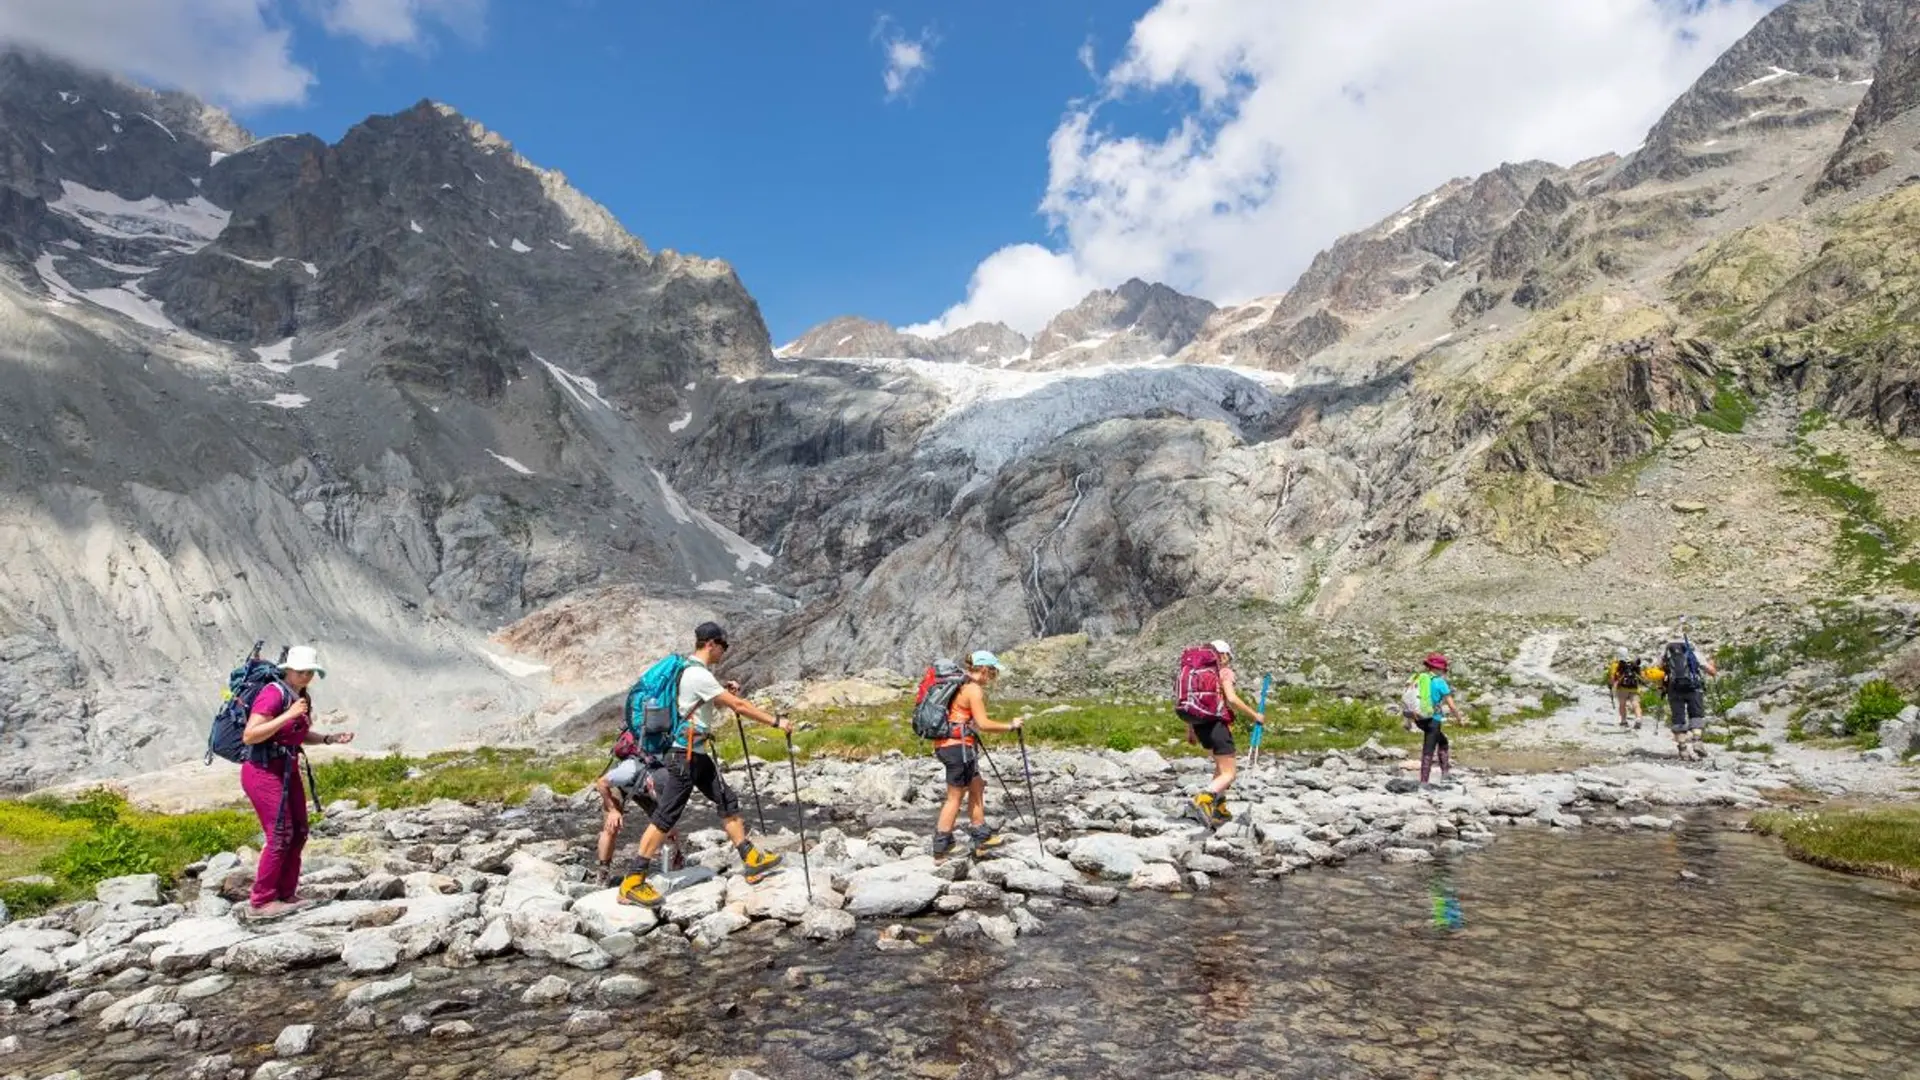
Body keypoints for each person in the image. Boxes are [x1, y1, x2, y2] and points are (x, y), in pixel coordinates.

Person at [619, 622, 792, 907]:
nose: (724, 652)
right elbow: (740, 707)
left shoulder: (693, 672)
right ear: (711, 644)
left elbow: (699, 701)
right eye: (723, 646)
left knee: (726, 799)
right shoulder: (697, 674)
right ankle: (633, 881)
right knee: (666, 816)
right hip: (684, 756)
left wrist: (723, 689)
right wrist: (776, 722)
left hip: (696, 754)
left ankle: (750, 859)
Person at [239, 646, 352, 920]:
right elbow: (250, 735)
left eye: (310, 672)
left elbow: (297, 735)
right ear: (287, 670)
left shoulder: (301, 697)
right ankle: (261, 901)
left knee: (299, 831)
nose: (306, 677)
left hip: (286, 769)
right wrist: (287, 715)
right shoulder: (273, 694)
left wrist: (328, 739)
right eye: (301, 672)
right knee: (279, 835)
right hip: (262, 771)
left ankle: (286, 893)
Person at [931, 651, 1024, 857]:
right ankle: (941, 846)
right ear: (983, 669)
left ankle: (981, 837)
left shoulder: (960, 684)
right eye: (992, 672)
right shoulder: (973, 689)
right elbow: (983, 724)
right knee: (954, 797)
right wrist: (1010, 726)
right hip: (957, 749)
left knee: (977, 785)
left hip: (951, 746)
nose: (993, 677)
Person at [1185, 640, 1263, 827]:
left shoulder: (1196, 673)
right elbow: (1232, 699)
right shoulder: (1223, 672)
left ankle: (1219, 809)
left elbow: (1192, 702)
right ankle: (1202, 799)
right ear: (1224, 655)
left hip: (1200, 726)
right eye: (1228, 656)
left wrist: (1190, 730)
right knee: (1229, 773)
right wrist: (1255, 716)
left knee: (1220, 768)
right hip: (1217, 725)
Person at [592, 757, 682, 886]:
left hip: (642, 787)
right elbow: (601, 783)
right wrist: (613, 810)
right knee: (611, 827)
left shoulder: (668, 776)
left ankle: (676, 859)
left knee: (667, 824)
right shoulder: (627, 771)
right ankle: (603, 871)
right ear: (651, 784)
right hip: (618, 786)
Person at [1659, 637, 1718, 761]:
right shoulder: (1693, 653)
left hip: (1674, 690)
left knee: (1678, 719)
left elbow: (1658, 671)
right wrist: (1712, 664)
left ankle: (1683, 749)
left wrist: (1662, 687)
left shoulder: (1666, 655)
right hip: (1694, 688)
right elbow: (1712, 672)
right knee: (1696, 715)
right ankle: (1697, 741)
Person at [1411, 652, 1463, 787]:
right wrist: (1459, 718)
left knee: (1443, 741)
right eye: (1442, 669)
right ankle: (1424, 782)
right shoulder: (1440, 682)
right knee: (1428, 749)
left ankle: (1445, 774)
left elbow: (1410, 698)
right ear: (1438, 668)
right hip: (1433, 719)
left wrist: (1407, 721)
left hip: (1419, 718)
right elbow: (1451, 705)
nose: (1443, 671)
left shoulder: (1420, 678)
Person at [1608, 648, 1646, 730]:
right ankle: (1638, 719)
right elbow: (1642, 675)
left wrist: (1611, 684)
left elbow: (1612, 677)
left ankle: (1624, 721)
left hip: (1622, 688)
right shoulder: (1633, 663)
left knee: (1622, 704)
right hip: (1634, 687)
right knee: (1636, 704)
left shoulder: (1617, 664)